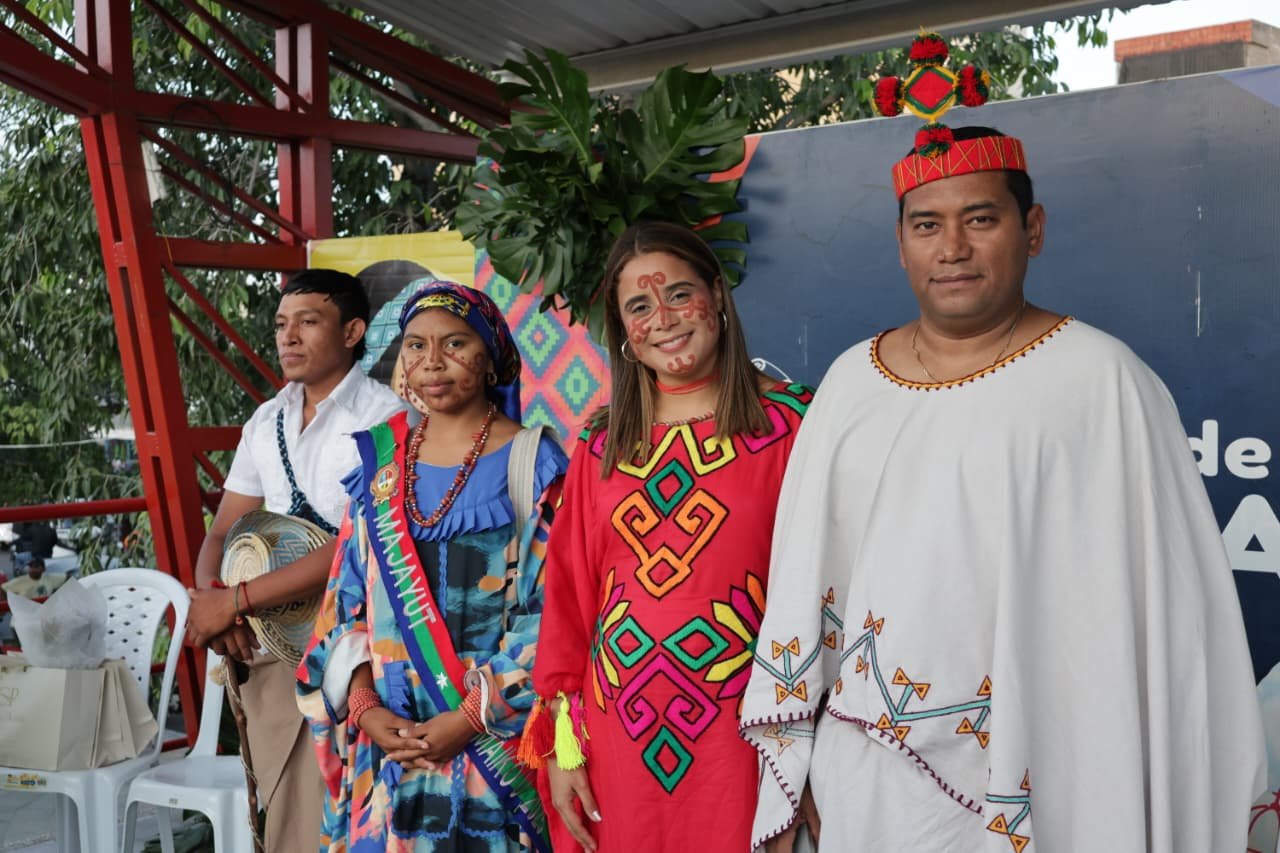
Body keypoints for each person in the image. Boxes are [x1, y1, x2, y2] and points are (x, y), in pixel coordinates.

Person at [740, 125, 1266, 852]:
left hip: (1050, 776)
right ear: (901, 243)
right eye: (928, 225)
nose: (952, 247)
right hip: (866, 783)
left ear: (1034, 229)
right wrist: (798, 764)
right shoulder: (851, 381)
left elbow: (1175, 624)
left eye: (980, 218)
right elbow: (804, 581)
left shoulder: (1103, 383)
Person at [527, 221, 813, 852]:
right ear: (622, 333)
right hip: (617, 745)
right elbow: (571, 607)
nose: (663, 318)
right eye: (638, 306)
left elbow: (833, 591)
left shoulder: (792, 427)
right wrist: (565, 747)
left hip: (752, 733)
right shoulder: (600, 448)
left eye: (680, 294)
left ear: (718, 295)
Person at [296, 280, 569, 852]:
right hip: (390, 752)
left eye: (455, 343)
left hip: (492, 752)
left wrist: (469, 717)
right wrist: (366, 707)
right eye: (416, 345)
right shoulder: (380, 464)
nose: (432, 362)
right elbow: (345, 604)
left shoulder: (533, 463)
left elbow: (553, 615)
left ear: (490, 358)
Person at [186, 268, 410, 853]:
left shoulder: (386, 418)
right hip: (267, 641)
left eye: (308, 322)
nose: (288, 337)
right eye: (282, 325)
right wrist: (214, 602)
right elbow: (223, 532)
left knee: (345, 809)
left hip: (354, 643)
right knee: (283, 810)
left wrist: (234, 601)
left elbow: (357, 545)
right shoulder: (266, 420)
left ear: (354, 330)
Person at [1, 557, 67, 599]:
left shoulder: (50, 578)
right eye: (31, 567)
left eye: (36, 567)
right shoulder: (20, 581)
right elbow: (2, 589)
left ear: (44, 569)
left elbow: (67, 577)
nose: (33, 569)